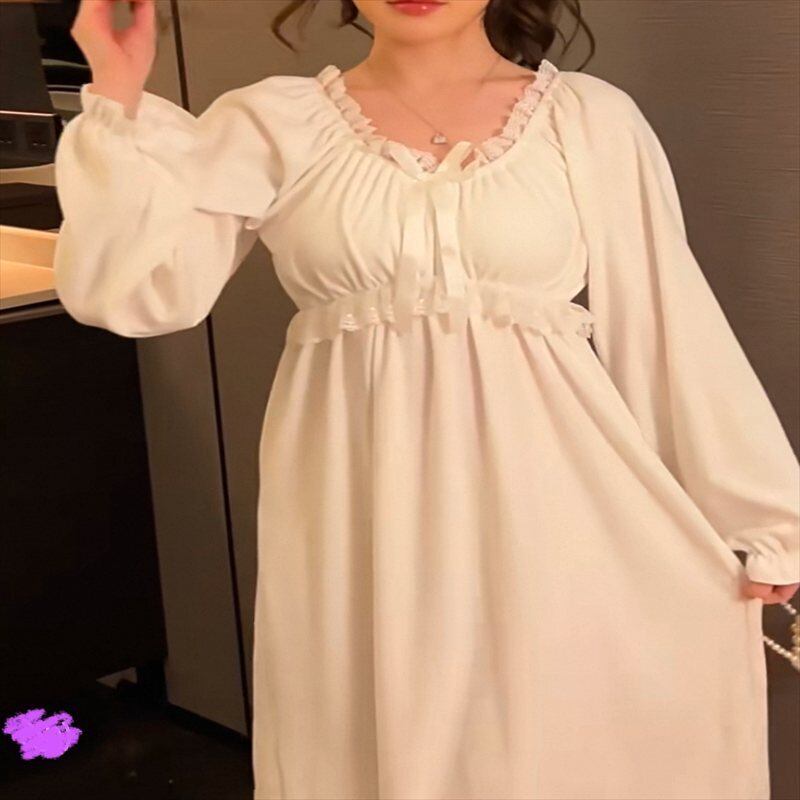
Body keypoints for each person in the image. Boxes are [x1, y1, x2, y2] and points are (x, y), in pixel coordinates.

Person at [54, 1, 800, 798]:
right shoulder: (272, 123)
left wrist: (762, 515)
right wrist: (117, 93)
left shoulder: (589, 119)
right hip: (362, 518)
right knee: (380, 736)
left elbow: (668, 323)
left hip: (562, 512)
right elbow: (135, 291)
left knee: (555, 739)